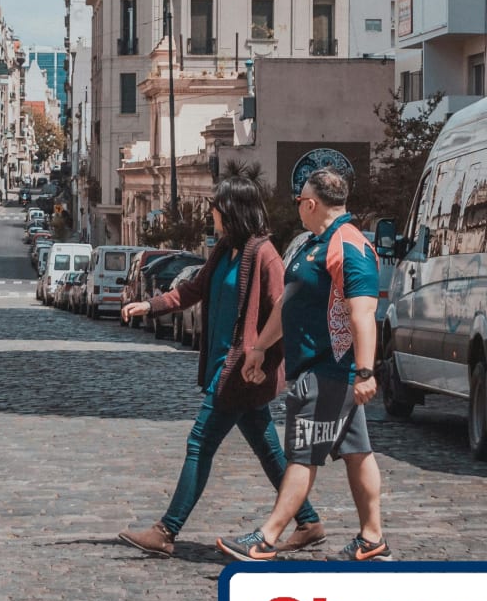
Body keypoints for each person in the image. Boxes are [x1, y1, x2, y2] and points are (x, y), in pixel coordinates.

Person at [117, 176, 324, 559]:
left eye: (216, 205)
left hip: (240, 373)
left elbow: (284, 314)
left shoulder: (264, 255)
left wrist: (265, 361)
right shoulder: (225, 250)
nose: (211, 211)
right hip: (222, 366)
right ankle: (308, 522)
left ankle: (166, 530)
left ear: (233, 209)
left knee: (199, 443)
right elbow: (193, 289)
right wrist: (150, 305)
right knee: (268, 449)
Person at [219, 167, 389, 563]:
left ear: (311, 203)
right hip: (321, 371)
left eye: (299, 201)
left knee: (302, 456)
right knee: (358, 453)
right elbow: (288, 302)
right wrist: (260, 348)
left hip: (328, 372)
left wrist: (365, 371)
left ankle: (266, 538)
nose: (297, 207)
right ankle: (372, 538)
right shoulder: (312, 244)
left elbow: (364, 312)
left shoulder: (349, 245)